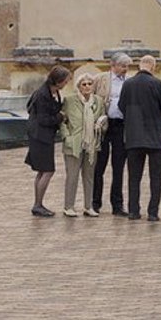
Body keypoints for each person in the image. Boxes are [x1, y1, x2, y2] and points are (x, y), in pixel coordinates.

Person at [117, 54, 161, 221]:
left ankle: (134, 211)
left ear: (140, 66)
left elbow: (121, 106)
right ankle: (153, 212)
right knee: (155, 177)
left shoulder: (127, 84)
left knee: (134, 177)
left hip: (134, 136)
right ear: (153, 67)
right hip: (155, 136)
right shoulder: (157, 84)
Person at [90, 52, 130, 219]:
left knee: (119, 166)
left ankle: (117, 204)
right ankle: (95, 202)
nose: (125, 69)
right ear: (113, 66)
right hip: (103, 125)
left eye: (127, 66)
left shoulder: (128, 82)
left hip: (121, 125)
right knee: (99, 165)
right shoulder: (101, 79)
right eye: (123, 66)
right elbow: (90, 98)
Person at [25, 62, 68, 217]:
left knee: (42, 171)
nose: (66, 84)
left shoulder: (52, 91)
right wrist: (60, 117)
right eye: (65, 81)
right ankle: (37, 204)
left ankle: (38, 203)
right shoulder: (42, 94)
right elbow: (43, 119)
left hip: (43, 135)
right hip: (40, 136)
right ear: (58, 81)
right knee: (48, 170)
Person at [58, 69, 103, 216]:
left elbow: (103, 118)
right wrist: (67, 137)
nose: (87, 86)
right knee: (72, 176)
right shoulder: (70, 100)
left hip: (91, 144)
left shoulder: (98, 101)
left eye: (90, 83)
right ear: (79, 86)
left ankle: (88, 206)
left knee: (89, 176)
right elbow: (62, 122)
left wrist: (101, 126)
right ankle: (68, 206)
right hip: (74, 144)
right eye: (84, 84)